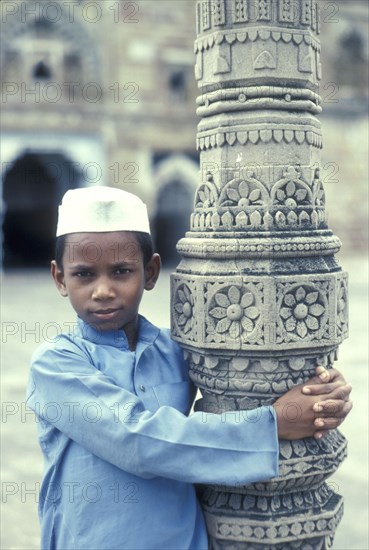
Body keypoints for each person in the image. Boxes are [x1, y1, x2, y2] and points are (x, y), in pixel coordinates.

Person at [26, 187, 352, 550]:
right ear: (59, 278)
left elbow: (251, 379)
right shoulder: (56, 365)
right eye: (84, 275)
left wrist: (322, 389)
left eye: (121, 271)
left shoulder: (176, 350)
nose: (103, 290)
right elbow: (138, 440)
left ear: (150, 272)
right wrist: (273, 425)